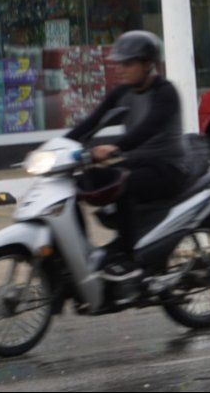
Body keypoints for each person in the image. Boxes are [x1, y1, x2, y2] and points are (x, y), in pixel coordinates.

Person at [65, 30, 187, 278]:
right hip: (138, 162)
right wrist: (56, 145)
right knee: (78, 184)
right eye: (119, 63)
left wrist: (115, 147)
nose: (121, 69)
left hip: (169, 168)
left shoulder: (165, 92)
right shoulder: (123, 92)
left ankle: (129, 254)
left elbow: (148, 127)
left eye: (128, 63)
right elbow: (92, 122)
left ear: (147, 64)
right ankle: (80, 251)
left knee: (123, 184)